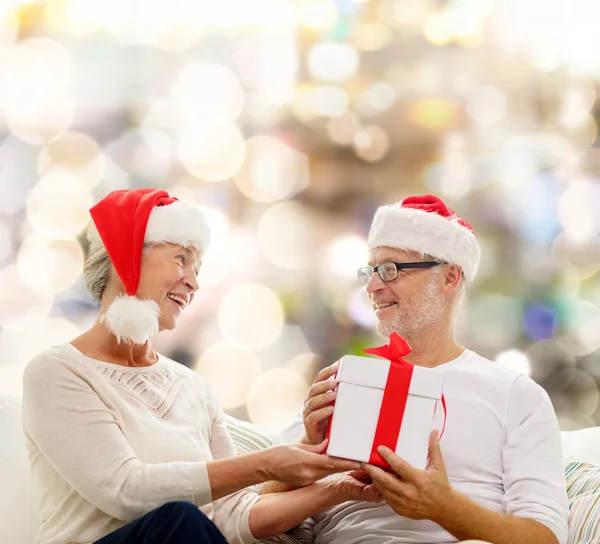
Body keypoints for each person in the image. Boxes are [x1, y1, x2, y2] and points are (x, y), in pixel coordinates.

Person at [22, 188, 381, 544]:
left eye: (197, 267)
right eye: (181, 258)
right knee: (181, 519)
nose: (193, 282)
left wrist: (340, 489)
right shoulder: (57, 372)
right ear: (126, 255)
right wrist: (266, 464)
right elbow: (126, 492)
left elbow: (230, 517)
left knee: (189, 523)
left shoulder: (193, 387)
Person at [274, 194, 569, 544]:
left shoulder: (517, 395)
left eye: (390, 269)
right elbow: (254, 506)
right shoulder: (346, 379)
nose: (371, 287)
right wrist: (310, 443)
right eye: (370, 271)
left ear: (450, 278)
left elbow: (546, 538)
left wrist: (443, 507)